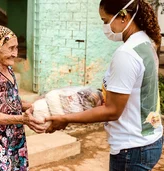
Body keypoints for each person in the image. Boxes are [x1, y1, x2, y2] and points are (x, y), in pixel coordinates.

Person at [45, 0, 163, 170]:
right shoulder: (146, 43)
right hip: (149, 140)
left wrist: (65, 119)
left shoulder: (127, 54)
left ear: (123, 16)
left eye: (106, 21)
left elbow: (112, 111)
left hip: (132, 148)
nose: (105, 27)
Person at [0, 25, 46, 171]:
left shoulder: (9, 70)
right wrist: (22, 119)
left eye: (16, 48)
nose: (15, 53)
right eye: (11, 48)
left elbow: (12, 101)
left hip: (15, 138)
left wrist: (38, 105)